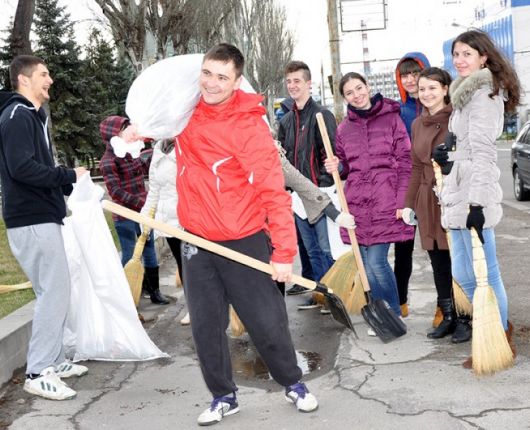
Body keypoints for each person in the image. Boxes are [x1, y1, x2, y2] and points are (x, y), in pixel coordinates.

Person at [173, 43, 318, 426]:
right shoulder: (184, 112)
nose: (212, 83)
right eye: (207, 73)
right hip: (197, 238)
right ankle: (223, 395)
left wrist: (284, 252)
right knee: (205, 326)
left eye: (222, 77)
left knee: (265, 320)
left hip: (244, 236)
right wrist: (134, 133)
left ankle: (292, 382)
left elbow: (273, 190)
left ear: (237, 81)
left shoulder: (248, 125)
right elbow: (151, 124)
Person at [0, 55, 88, 400]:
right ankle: (38, 371)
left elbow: (33, 168)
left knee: (52, 290)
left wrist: (66, 184)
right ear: (24, 80)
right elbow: (22, 169)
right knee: (55, 291)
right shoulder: (18, 117)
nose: (50, 79)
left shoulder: (30, 117)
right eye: (43, 74)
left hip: (38, 216)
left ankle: (54, 359)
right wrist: (67, 176)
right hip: (32, 219)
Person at [432, 29, 520, 367]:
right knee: (464, 274)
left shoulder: (484, 96)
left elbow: (484, 155)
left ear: (483, 57)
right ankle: (497, 329)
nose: (459, 60)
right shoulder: (466, 96)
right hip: (457, 192)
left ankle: (498, 336)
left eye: (467, 53)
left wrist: (479, 204)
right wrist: (447, 157)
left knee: (487, 273)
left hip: (473, 195)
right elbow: (466, 149)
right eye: (456, 54)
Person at [324, 72, 414, 326]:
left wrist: (401, 202)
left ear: (368, 87)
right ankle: (382, 313)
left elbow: (406, 163)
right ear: (344, 99)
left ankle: (394, 313)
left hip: (386, 201)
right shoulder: (344, 128)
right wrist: (336, 166)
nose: (357, 95)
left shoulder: (392, 119)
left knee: (376, 262)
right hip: (358, 204)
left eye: (359, 88)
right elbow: (344, 168)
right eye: (350, 92)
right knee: (365, 264)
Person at [403, 67, 470, 342]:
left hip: (453, 197)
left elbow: (470, 157)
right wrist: (409, 204)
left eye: (433, 87)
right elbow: (416, 168)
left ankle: (467, 317)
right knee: (438, 261)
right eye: (422, 89)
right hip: (427, 200)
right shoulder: (417, 124)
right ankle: (449, 315)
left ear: (445, 89)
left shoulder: (458, 119)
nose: (427, 93)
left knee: (459, 261)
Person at [277, 61, 336, 310]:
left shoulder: (322, 115)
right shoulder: (287, 121)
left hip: (320, 193)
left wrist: (323, 185)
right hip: (297, 197)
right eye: (289, 81)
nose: (292, 86)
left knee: (325, 249)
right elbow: (283, 161)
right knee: (310, 251)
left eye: (297, 81)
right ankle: (319, 293)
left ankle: (333, 294)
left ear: (309, 84)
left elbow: (332, 154)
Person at [99, 115, 169, 305]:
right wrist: (141, 205)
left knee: (149, 251)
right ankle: (126, 297)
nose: (130, 130)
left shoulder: (132, 153)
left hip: (143, 213)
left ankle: (154, 291)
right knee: (130, 255)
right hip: (125, 217)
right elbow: (115, 191)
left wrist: (159, 146)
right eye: (125, 128)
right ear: (115, 134)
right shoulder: (108, 161)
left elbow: (148, 167)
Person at [394, 52, 430, 318]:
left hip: (434, 187)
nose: (409, 80)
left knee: (438, 250)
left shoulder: (439, 107)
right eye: (404, 75)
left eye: (415, 73)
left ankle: (447, 306)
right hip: (407, 187)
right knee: (403, 250)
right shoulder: (397, 110)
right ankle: (401, 303)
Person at [140, 138, 189, 324]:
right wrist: (146, 217)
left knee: (197, 266)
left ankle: (209, 306)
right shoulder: (158, 152)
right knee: (183, 266)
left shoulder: (187, 145)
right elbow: (154, 190)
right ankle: (192, 307)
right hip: (169, 222)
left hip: (190, 219)